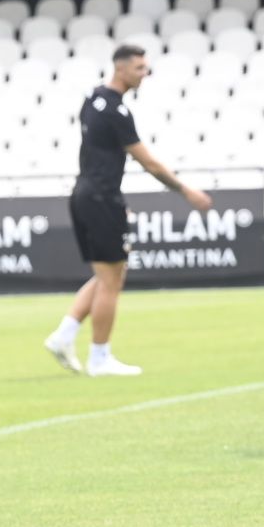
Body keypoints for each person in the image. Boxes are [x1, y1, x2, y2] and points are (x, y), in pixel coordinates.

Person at [44, 45, 213, 376]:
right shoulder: (116, 112)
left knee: (108, 274)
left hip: (86, 193)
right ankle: (99, 358)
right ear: (120, 69)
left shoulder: (93, 100)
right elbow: (147, 161)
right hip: (102, 197)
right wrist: (186, 191)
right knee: (111, 281)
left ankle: (63, 335)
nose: (144, 74)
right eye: (139, 68)